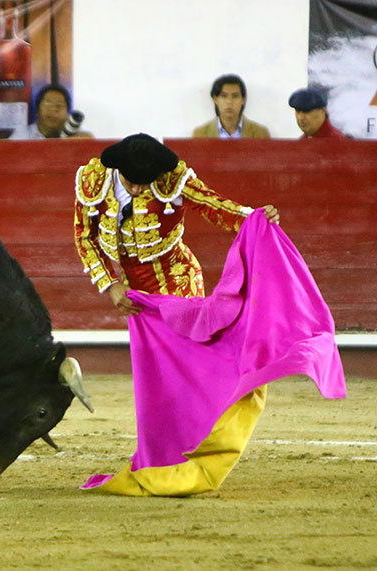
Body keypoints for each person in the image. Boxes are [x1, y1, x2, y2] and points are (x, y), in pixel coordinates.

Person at [73, 134, 280, 496]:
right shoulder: (94, 181)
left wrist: (255, 219)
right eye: (132, 182)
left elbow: (214, 206)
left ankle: (198, 447)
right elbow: (85, 237)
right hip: (139, 301)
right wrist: (110, 285)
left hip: (177, 284)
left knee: (188, 372)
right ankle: (168, 454)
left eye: (145, 182)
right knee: (157, 380)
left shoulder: (173, 180)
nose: (138, 189)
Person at [192, 74, 270, 138]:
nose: (229, 101)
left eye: (235, 96)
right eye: (224, 96)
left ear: (243, 100)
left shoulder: (261, 133)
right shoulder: (200, 134)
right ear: (215, 99)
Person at [9, 84, 93, 140]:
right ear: (38, 111)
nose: (53, 109)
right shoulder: (23, 135)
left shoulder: (72, 133)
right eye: (48, 104)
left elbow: (88, 139)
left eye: (59, 105)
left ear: (67, 114)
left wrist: (66, 142)